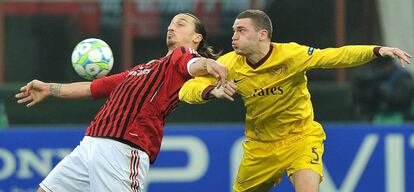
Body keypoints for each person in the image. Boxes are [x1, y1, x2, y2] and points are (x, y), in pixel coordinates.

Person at [179, 10, 411, 192]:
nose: (234, 36)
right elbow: (187, 89)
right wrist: (211, 91)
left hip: (300, 137)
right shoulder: (229, 64)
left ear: (262, 35)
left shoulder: (291, 55)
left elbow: (334, 56)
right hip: (261, 146)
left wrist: (377, 50)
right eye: (233, 30)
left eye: (241, 30)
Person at [15, 13, 227, 192]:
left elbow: (192, 64)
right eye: (170, 24)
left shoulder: (182, 56)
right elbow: (92, 88)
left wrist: (208, 64)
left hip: (123, 150)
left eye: (180, 24)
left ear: (197, 37)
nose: (171, 27)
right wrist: (49, 88)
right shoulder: (142, 69)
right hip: (90, 144)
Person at [353, 57, 414, 124]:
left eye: (383, 66)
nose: (381, 69)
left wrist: (385, 91)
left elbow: (403, 99)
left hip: (399, 116)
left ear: (389, 64)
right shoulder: (378, 77)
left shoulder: (403, 76)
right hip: (379, 116)